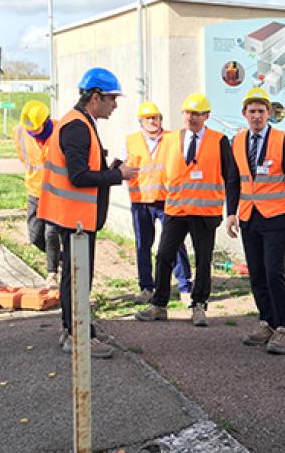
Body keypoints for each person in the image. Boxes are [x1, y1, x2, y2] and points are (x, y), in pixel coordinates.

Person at [38, 67, 138, 359]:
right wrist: (117, 175)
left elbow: (83, 171)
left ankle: (75, 329)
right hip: (75, 217)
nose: (115, 105)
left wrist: (110, 169)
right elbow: (79, 176)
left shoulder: (80, 123)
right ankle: (77, 335)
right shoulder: (78, 127)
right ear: (95, 97)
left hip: (76, 215)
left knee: (75, 276)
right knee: (78, 278)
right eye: (111, 99)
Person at [134, 93, 239, 326]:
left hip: (205, 213)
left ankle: (199, 305)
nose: (191, 118)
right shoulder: (171, 139)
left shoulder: (219, 140)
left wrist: (231, 211)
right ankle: (159, 305)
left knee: (203, 260)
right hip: (176, 210)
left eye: (197, 114)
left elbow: (231, 177)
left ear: (207, 116)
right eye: (188, 113)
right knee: (163, 255)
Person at [227, 87, 285, 354]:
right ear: (244, 114)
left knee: (274, 272)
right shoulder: (237, 141)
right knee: (257, 273)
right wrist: (231, 213)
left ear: (269, 113)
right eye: (253, 111)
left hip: (275, 216)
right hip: (249, 216)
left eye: (262, 111)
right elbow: (234, 180)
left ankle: (284, 328)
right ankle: (267, 322)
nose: (257, 116)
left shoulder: (283, 139)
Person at [125, 101, 192, 304]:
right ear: (141, 122)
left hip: (168, 200)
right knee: (143, 245)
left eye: (156, 117)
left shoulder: (173, 138)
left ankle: (185, 287)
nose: (153, 122)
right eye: (148, 118)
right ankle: (146, 287)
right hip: (141, 202)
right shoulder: (131, 141)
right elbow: (122, 165)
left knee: (175, 244)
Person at [16, 99, 61, 287]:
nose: (32, 133)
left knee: (51, 233)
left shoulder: (60, 131)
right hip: (34, 191)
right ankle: (64, 258)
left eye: (36, 129)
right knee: (35, 236)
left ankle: (52, 274)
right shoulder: (19, 132)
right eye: (30, 130)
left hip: (55, 192)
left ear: (46, 121)